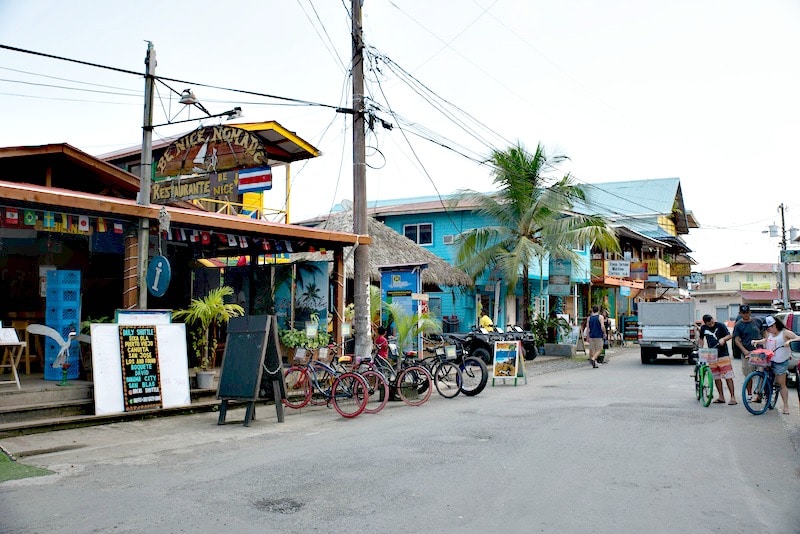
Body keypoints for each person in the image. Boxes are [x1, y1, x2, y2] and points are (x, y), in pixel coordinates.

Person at [754, 315, 799, 414]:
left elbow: (798, 338)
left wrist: (790, 341)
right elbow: (766, 340)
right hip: (770, 359)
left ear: (774, 325)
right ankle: (765, 396)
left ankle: (786, 406)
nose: (768, 330)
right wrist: (758, 341)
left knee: (781, 384)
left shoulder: (785, 333)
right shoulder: (769, 333)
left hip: (781, 361)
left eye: (769, 327)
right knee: (765, 377)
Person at [698, 314, 736, 405]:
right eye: (709, 324)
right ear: (705, 323)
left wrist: (723, 339)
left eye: (712, 322)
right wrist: (700, 348)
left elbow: (729, 335)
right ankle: (721, 396)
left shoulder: (720, 325)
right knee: (716, 377)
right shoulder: (703, 328)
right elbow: (701, 338)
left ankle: (732, 397)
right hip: (712, 354)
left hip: (723, 354)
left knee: (728, 376)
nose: (711, 325)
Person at [733, 304, 763, 399]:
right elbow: (737, 339)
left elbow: (764, 333)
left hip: (759, 352)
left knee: (762, 372)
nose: (746, 315)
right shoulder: (738, 325)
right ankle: (749, 394)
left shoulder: (757, 321)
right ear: (740, 313)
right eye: (743, 313)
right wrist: (744, 350)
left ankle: (759, 393)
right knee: (748, 374)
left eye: (747, 312)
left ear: (750, 312)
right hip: (747, 352)